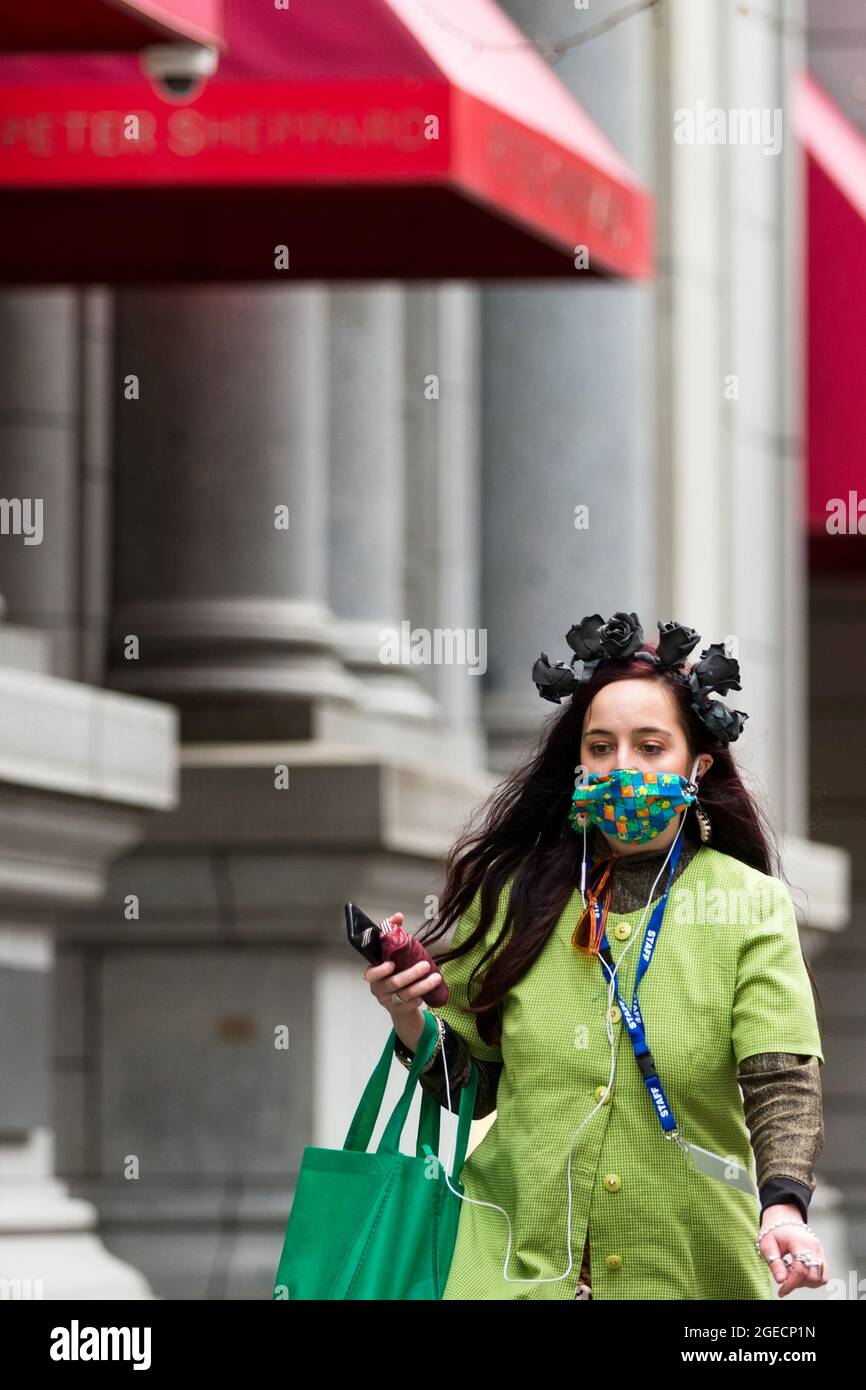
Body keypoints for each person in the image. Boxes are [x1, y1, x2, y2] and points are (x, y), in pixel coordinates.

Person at [364, 612, 826, 1300]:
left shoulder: (749, 904)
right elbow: (472, 1084)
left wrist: (782, 1203)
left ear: (696, 766)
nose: (623, 769)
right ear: (579, 763)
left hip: (688, 1270)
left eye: (650, 747)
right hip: (509, 1270)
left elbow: (779, 1078)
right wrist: (408, 1015)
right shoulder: (515, 894)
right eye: (601, 748)